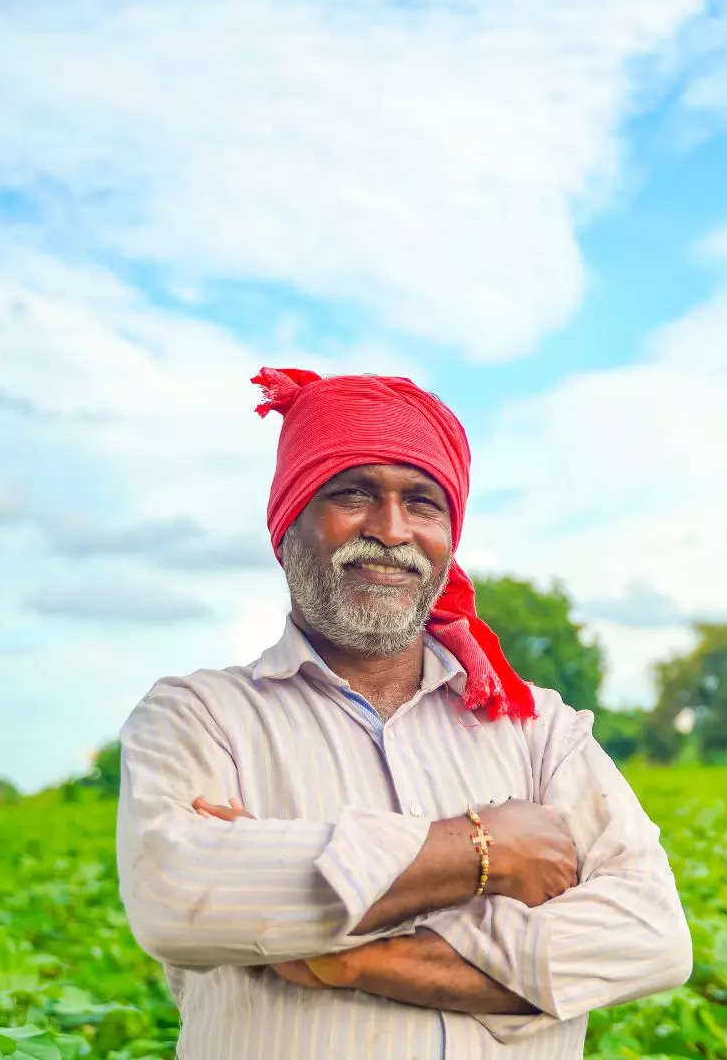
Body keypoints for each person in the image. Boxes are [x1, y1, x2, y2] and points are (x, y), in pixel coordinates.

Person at [114, 368, 691, 1058]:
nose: (391, 531)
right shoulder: (200, 716)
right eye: (352, 494)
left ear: (450, 537)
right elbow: (179, 897)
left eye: (422, 503)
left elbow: (653, 938)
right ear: (290, 520)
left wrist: (355, 958)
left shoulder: (539, 730)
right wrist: (485, 849)